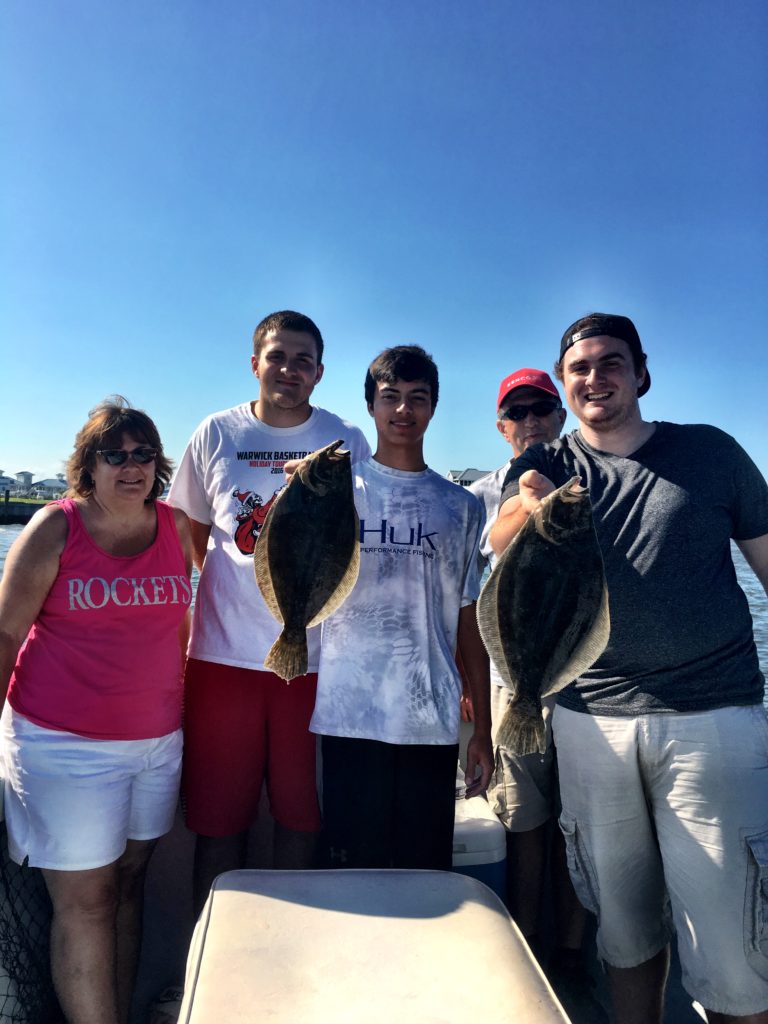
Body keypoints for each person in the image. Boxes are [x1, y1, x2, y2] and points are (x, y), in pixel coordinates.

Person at [490, 313, 768, 1024]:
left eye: (611, 362)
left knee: (739, 947)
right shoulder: (549, 465)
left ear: (641, 373)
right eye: (579, 367)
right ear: (566, 384)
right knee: (623, 931)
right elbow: (499, 544)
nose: (595, 377)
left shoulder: (710, 452)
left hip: (714, 719)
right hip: (592, 725)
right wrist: (532, 504)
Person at [168, 310, 370, 914]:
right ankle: (209, 946)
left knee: (300, 811)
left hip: (315, 660)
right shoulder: (216, 432)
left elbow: (356, 540)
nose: (289, 369)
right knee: (217, 817)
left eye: (303, 359)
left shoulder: (345, 441)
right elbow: (187, 537)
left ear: (319, 372)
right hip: (220, 658)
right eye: (278, 356)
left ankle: (296, 944)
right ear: (255, 363)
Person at [0, 397, 193, 1024]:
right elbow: (5, 636)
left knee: (129, 884)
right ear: (88, 464)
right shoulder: (55, 528)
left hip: (157, 743)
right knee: (87, 901)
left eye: (142, 455)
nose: (131, 466)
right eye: (115, 454)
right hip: (63, 745)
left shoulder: (178, 527)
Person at [310, 345, 493, 870]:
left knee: (424, 874)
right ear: (370, 406)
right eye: (390, 398)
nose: (403, 411)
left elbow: (467, 621)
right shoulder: (335, 488)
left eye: (417, 399)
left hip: (429, 718)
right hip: (349, 714)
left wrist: (479, 727)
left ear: (433, 407)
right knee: (351, 877)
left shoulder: (460, 505)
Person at [468, 370, 592, 982]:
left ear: (561, 414)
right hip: (511, 677)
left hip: (585, 682)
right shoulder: (485, 491)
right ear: (501, 425)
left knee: (578, 823)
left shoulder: (591, 475)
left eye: (543, 407)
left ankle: (570, 952)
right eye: (517, 411)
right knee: (524, 819)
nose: (531, 420)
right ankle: (524, 947)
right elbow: (488, 553)